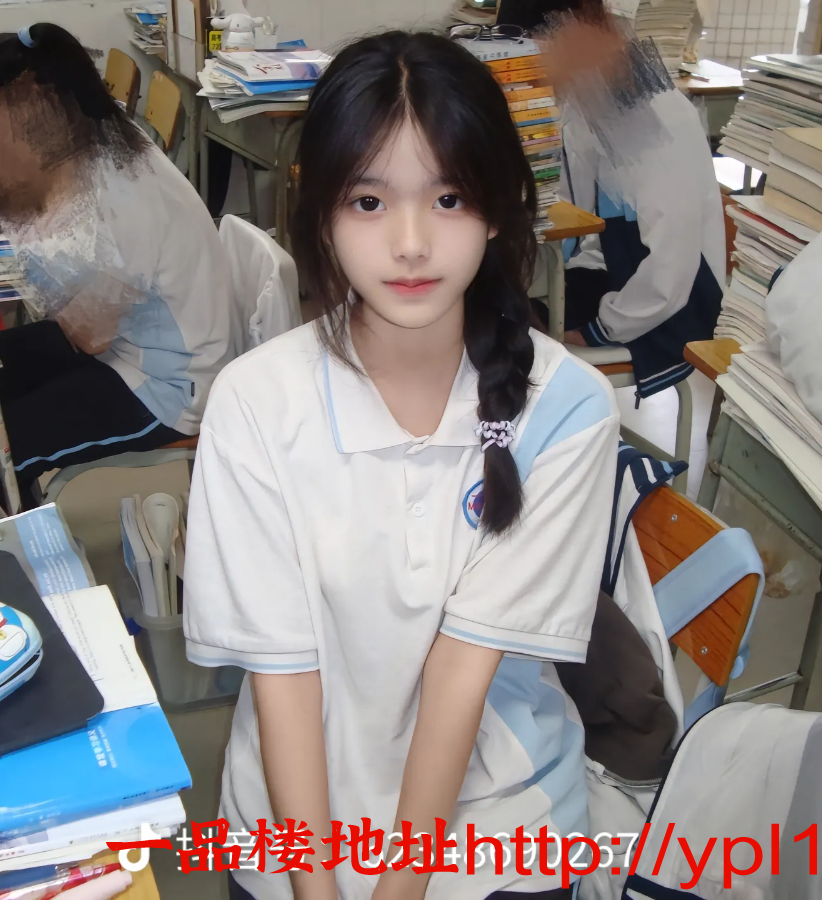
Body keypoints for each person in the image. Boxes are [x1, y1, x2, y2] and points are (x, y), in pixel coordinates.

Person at [183, 31, 620, 900]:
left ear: (498, 207)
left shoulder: (568, 408)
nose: (411, 243)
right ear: (319, 212)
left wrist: (400, 886)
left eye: (449, 197)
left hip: (496, 824)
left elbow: (463, 671)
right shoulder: (255, 404)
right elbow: (284, 676)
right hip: (294, 828)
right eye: (369, 200)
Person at [0, 23, 238, 507]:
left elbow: (89, 332)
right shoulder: (94, 139)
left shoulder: (123, 189)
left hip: (164, 387)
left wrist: (11, 230)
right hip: (122, 350)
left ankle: (6, 534)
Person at [543, 2, 726, 399]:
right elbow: (579, 215)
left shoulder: (654, 114)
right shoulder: (586, 100)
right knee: (507, 308)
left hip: (674, 305)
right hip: (619, 273)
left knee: (520, 337)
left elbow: (672, 269)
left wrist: (600, 329)